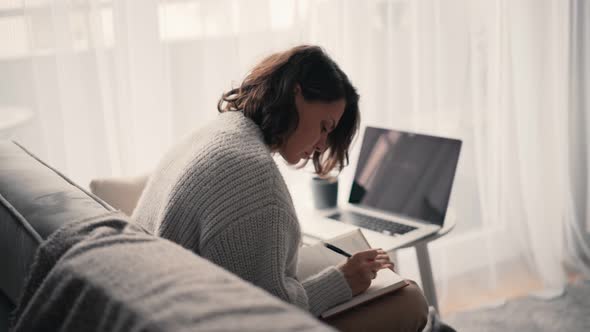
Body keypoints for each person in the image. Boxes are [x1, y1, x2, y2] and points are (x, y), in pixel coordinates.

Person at [132, 45, 428, 331]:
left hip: (153, 302)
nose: (322, 145)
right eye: (325, 126)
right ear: (296, 94)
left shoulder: (218, 132)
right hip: (193, 319)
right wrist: (343, 281)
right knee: (410, 298)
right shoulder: (253, 174)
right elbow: (266, 314)